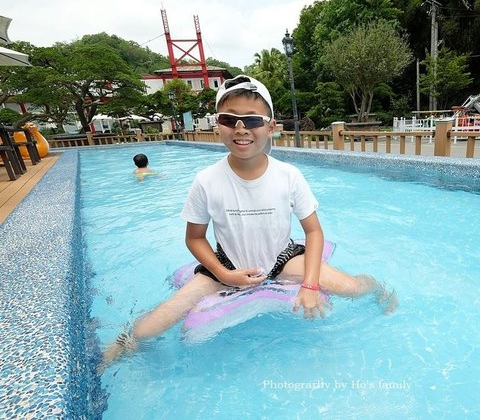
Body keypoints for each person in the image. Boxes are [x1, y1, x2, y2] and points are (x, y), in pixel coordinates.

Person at [101, 75, 397, 370]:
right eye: (230, 119)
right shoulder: (206, 180)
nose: (241, 128)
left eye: (252, 120)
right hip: (228, 264)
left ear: (270, 127)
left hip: (283, 259)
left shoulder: (288, 175)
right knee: (150, 326)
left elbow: (313, 231)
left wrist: (309, 285)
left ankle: (378, 288)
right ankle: (122, 343)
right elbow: (194, 238)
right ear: (218, 124)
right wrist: (223, 274)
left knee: (351, 287)